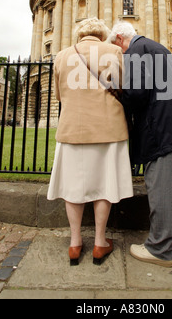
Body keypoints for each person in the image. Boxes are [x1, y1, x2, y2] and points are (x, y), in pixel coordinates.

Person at [107, 21, 172, 268]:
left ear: (119, 38)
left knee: (163, 188)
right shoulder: (156, 47)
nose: (117, 53)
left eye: (115, 47)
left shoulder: (135, 50)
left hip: (162, 129)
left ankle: (159, 248)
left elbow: (138, 93)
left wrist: (118, 93)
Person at [47, 18, 133, 266]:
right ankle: (99, 242)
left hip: (73, 127)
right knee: (104, 184)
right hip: (108, 128)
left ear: (80, 34)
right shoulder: (114, 50)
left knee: (73, 187)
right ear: (102, 34)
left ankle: (74, 244)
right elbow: (121, 86)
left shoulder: (62, 55)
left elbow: (59, 95)